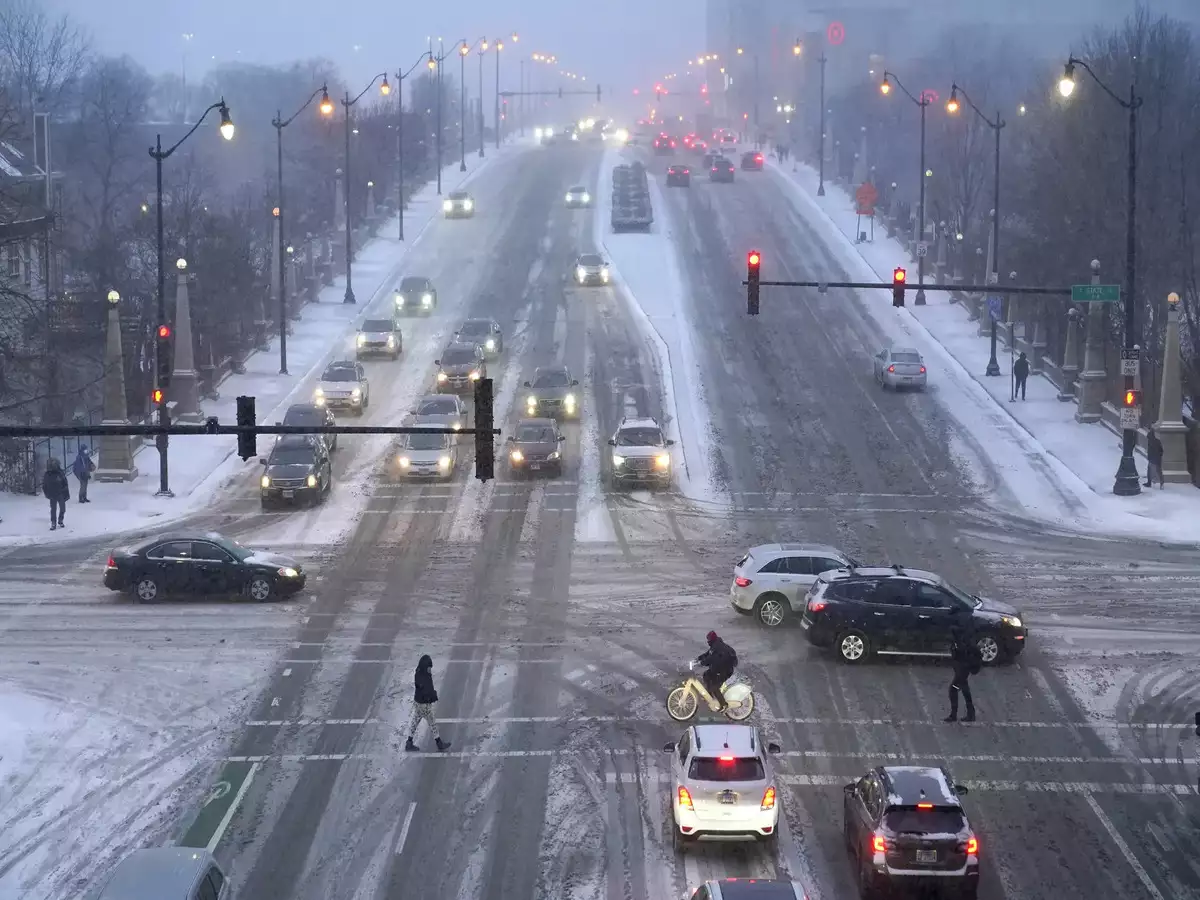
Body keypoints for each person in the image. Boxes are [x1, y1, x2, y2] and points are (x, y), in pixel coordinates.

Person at [405, 654, 451, 752]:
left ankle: (409, 742)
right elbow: (427, 690)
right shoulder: (424, 677)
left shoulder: (418, 673)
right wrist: (433, 696)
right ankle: (439, 743)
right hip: (424, 705)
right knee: (432, 723)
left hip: (417, 703)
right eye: (429, 667)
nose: (430, 670)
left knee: (415, 722)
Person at [945, 621, 980, 723]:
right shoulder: (963, 638)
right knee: (964, 689)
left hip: (963, 669)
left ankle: (954, 715)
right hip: (963, 668)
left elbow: (963, 654)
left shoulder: (961, 642)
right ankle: (970, 713)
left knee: (953, 689)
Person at [697, 631, 738, 710]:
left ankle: (724, 705)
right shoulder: (715, 645)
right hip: (719, 669)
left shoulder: (718, 647)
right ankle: (710, 696)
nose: (707, 641)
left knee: (714, 687)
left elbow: (711, 659)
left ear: (711, 640)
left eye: (708, 640)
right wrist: (698, 658)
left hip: (725, 671)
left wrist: (702, 663)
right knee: (706, 675)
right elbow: (708, 654)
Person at [42, 458, 70, 530]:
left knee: (63, 508)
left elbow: (65, 482)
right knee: (53, 509)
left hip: (60, 493)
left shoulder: (60, 473)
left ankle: (60, 520)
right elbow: (44, 485)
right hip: (52, 494)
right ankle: (53, 523)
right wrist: (47, 493)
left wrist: (65, 490)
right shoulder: (47, 474)